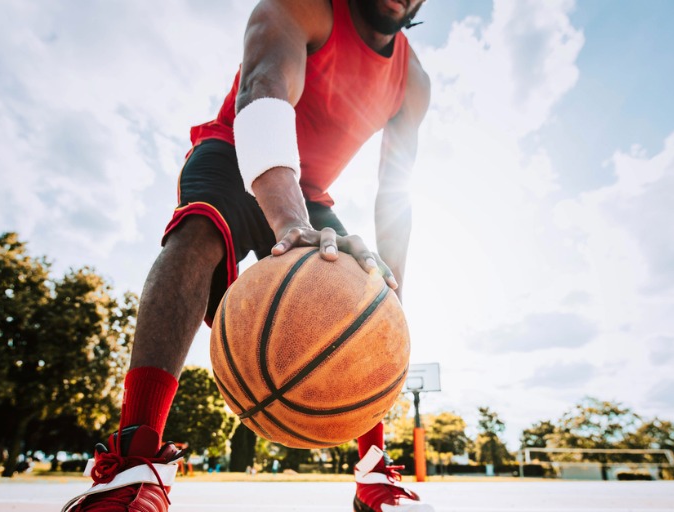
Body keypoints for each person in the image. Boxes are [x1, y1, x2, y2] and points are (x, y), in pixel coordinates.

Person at [62, 0, 430, 510]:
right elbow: (263, 90)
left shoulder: (412, 80)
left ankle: (374, 476)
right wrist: (290, 222)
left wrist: (392, 299)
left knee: (365, 299)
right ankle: (131, 467)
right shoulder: (306, 7)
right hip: (234, 151)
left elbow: (395, 191)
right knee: (197, 234)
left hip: (314, 191)